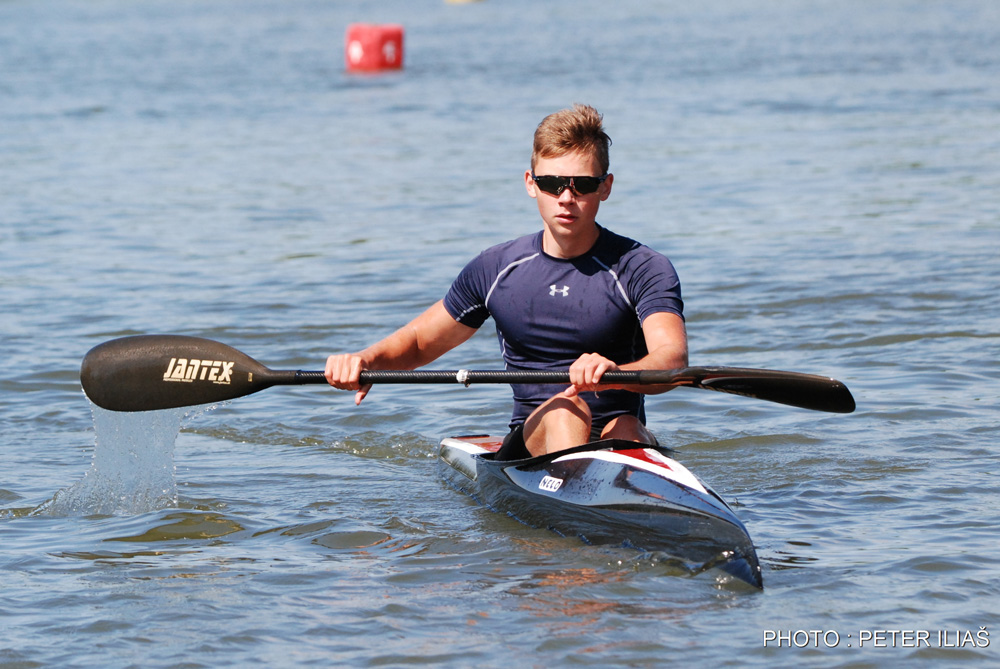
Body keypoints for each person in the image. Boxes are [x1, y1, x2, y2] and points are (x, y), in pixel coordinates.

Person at [326, 104, 687, 460]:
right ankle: (577, 501)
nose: (566, 198)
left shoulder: (642, 267)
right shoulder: (496, 267)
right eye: (552, 183)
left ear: (605, 187)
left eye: (582, 185)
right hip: (534, 441)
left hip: (618, 432)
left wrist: (615, 374)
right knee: (567, 409)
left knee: (625, 425)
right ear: (531, 184)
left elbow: (672, 360)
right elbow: (420, 342)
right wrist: (366, 359)